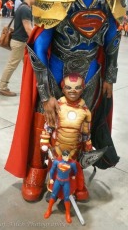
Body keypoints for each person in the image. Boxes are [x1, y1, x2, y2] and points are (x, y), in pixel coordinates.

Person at [5, 0, 126, 202]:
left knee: (82, 125)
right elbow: (39, 47)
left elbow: (113, 41)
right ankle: (36, 172)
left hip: (92, 74)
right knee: (45, 122)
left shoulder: (107, 0)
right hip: (56, 71)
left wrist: (110, 78)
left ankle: (76, 174)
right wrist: (46, 92)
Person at [39, 73, 93, 201]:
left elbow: (86, 132)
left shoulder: (85, 111)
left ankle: (71, 192)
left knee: (72, 171)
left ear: (83, 89)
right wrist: (44, 141)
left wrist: (88, 146)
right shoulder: (58, 106)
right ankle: (52, 191)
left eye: (77, 87)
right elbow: (48, 126)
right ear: (63, 89)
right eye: (68, 88)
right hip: (58, 147)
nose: (73, 91)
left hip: (74, 148)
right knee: (54, 170)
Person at [0, 0, 35, 97]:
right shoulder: (26, 9)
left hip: (21, 42)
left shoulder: (23, 7)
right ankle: (2, 87)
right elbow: (28, 29)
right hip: (20, 42)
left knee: (30, 65)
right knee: (12, 65)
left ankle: (32, 87)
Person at [44, 150, 77, 223]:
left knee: (66, 197)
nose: (67, 158)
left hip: (66, 181)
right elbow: (52, 170)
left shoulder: (72, 163)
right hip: (58, 181)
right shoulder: (56, 162)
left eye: (68, 156)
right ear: (62, 156)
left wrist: (74, 175)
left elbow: (75, 170)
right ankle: (49, 210)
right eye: (65, 156)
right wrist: (52, 178)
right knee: (53, 195)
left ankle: (67, 213)